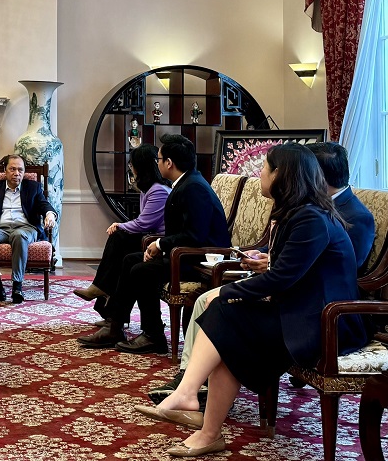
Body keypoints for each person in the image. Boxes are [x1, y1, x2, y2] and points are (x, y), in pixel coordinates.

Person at [138, 143, 368, 457]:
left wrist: (225, 290)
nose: (260, 173)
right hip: (302, 311)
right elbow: (286, 274)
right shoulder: (300, 213)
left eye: (265, 168)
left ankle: (197, 412)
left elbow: (282, 277)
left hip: (327, 324)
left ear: (281, 175)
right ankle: (196, 409)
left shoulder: (311, 219)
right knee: (227, 324)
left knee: (226, 317)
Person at [78, 133, 230, 353]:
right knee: (130, 260)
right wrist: (160, 245)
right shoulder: (186, 183)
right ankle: (114, 326)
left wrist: (160, 245)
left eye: (159, 159)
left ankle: (153, 335)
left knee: (141, 270)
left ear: (169, 163)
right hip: (186, 254)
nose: (157, 163)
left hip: (198, 261)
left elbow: (195, 235)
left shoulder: (193, 188)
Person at [73, 144, 170, 323]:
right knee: (119, 256)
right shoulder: (148, 189)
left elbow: (144, 223)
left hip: (158, 243)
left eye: (132, 164)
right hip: (149, 238)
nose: (130, 168)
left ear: (141, 166)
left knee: (119, 239)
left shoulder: (158, 191)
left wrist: (120, 225)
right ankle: (110, 312)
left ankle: (103, 293)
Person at [0, 154, 57, 305]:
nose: (16, 173)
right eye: (12, 169)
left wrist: (50, 214)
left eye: (20, 170)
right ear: (5, 170)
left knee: (19, 235)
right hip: (2, 229)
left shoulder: (33, 187)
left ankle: (17, 288)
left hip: (26, 228)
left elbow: (44, 205)